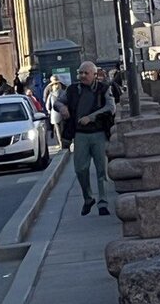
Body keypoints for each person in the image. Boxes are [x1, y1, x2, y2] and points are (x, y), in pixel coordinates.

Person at [56, 61, 116, 216]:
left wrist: (91, 117)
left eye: (86, 73)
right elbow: (58, 102)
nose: (82, 76)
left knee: (101, 169)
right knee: (80, 169)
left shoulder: (104, 89)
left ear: (94, 75)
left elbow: (111, 107)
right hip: (80, 135)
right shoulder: (72, 90)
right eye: (80, 73)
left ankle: (103, 202)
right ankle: (88, 198)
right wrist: (62, 108)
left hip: (99, 134)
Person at [44, 76, 67, 149]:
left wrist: (49, 111)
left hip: (54, 115)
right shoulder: (64, 92)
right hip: (64, 114)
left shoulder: (51, 94)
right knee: (64, 129)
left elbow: (47, 105)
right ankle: (65, 143)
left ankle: (60, 144)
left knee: (58, 131)